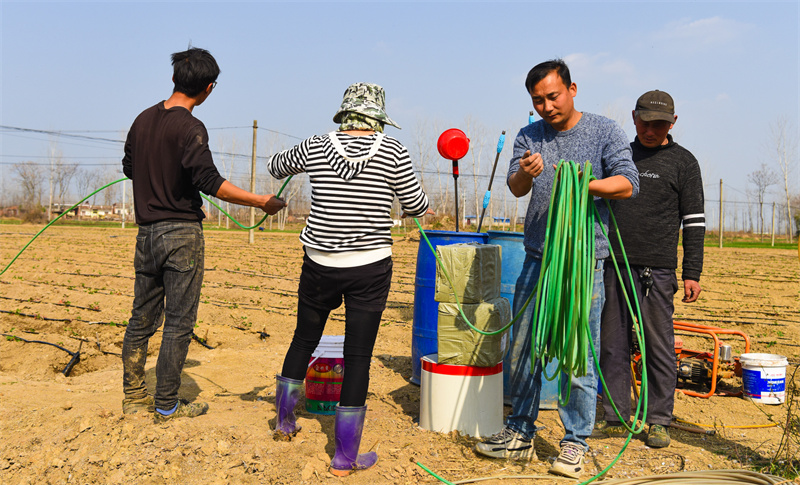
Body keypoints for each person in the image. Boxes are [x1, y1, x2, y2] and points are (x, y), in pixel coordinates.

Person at [475, 59, 639, 479]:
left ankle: (574, 442)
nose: (546, 106)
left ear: (572, 89)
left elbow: (628, 182)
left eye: (553, 96)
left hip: (584, 260)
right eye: (538, 100)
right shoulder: (530, 135)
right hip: (536, 256)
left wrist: (584, 184)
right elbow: (514, 187)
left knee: (577, 352)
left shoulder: (604, 130)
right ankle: (519, 433)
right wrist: (526, 175)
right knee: (524, 347)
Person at [267, 83, 431, 476]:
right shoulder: (393, 151)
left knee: (303, 339)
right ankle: (344, 457)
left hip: (319, 262)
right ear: (378, 119)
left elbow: (275, 167)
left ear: (344, 115)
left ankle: (285, 423)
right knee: (358, 357)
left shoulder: (316, 145)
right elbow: (418, 205)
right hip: (370, 266)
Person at [121, 47, 285, 422]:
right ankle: (166, 405)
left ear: (174, 78)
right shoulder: (191, 127)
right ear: (208, 88)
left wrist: (154, 176)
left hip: (146, 235)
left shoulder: (142, 119)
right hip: (181, 235)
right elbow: (211, 182)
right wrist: (260, 201)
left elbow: (129, 167)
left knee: (140, 320)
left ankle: (133, 399)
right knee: (178, 322)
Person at [597, 90, 705, 448]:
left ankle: (659, 419)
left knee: (658, 345)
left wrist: (692, 271)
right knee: (612, 343)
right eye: (645, 122)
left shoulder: (684, 163)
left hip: (656, 270)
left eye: (659, 124)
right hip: (613, 263)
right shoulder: (619, 157)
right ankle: (616, 416)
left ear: (673, 123)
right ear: (633, 117)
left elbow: (694, 222)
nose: (650, 130)